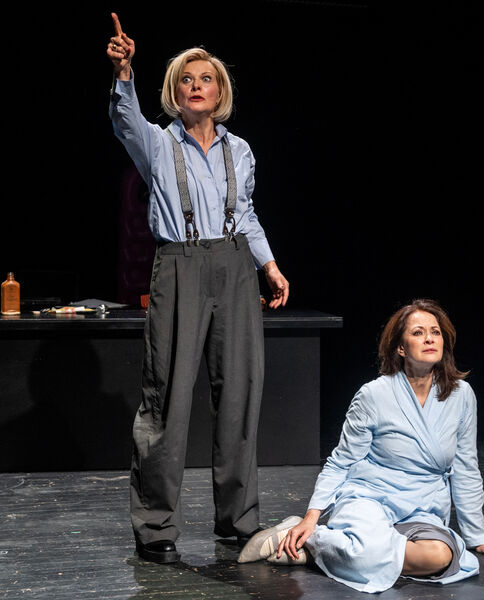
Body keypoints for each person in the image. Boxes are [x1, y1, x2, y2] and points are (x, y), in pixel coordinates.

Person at [106, 13, 289, 564]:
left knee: (239, 394)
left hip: (234, 266)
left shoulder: (241, 150)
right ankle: (156, 527)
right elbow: (124, 119)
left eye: (205, 78)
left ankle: (237, 520)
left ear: (219, 91)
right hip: (181, 265)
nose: (195, 86)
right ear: (174, 91)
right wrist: (124, 72)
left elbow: (246, 213)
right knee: (167, 396)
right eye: (186, 79)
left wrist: (268, 265)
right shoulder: (158, 144)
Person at [238, 299, 484, 593]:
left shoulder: (461, 395)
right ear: (400, 348)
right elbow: (341, 462)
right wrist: (311, 517)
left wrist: (478, 537)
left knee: (440, 556)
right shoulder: (374, 395)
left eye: (435, 332)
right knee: (370, 552)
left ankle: (318, 550)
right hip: (370, 498)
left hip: (422, 507)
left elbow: (465, 468)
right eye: (418, 333)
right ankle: (308, 536)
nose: (429, 338)